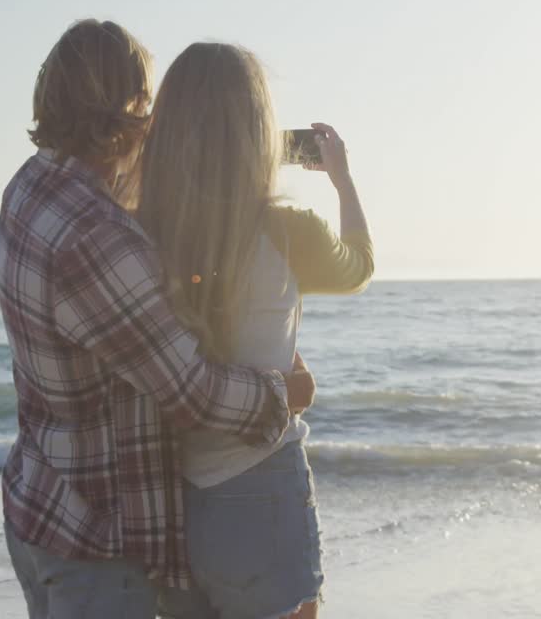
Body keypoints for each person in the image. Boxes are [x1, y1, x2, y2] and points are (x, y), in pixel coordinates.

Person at [0, 20, 318, 619]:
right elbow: (192, 393)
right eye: (146, 108)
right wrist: (287, 392)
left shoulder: (32, 184)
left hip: (39, 502)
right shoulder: (99, 239)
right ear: (123, 113)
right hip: (94, 544)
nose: (152, 123)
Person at [141, 43, 374, 619]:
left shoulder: (140, 231)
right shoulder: (287, 229)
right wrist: (342, 181)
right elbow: (358, 268)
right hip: (261, 481)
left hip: (169, 490)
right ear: (259, 134)